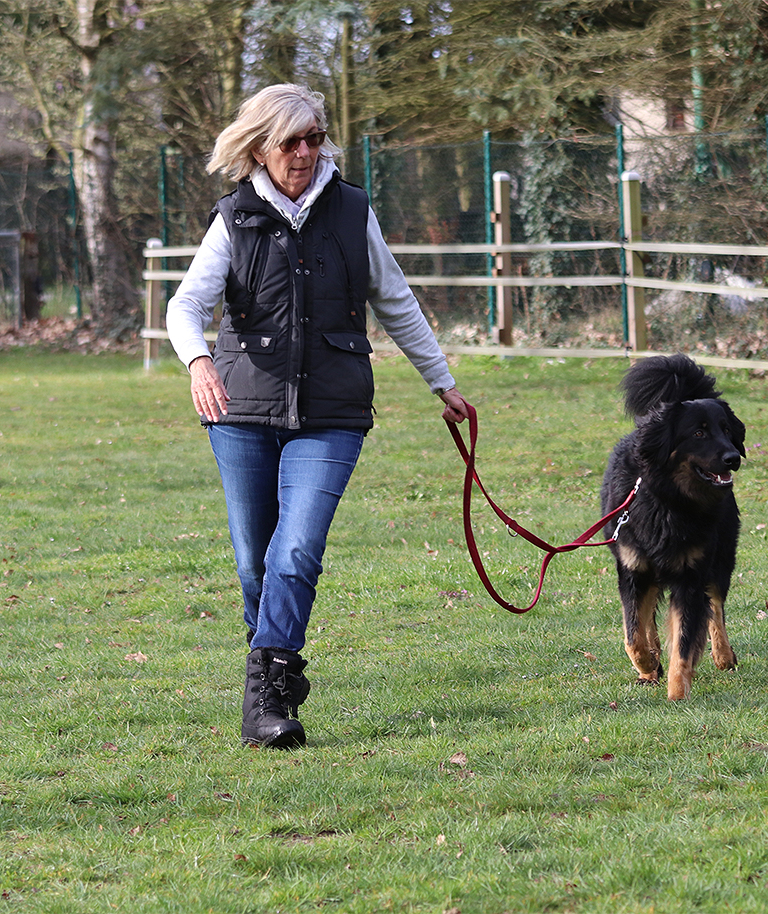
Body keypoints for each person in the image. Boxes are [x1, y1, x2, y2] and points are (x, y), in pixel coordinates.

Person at [166, 84, 471, 750]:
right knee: (255, 562)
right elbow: (185, 306)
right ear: (260, 148)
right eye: (290, 141)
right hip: (242, 409)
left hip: (333, 409)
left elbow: (395, 300)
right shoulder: (235, 217)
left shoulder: (352, 210)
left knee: (297, 548)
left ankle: (270, 693)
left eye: (314, 138)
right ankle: (270, 663)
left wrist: (441, 382)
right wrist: (198, 362)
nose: (305, 152)